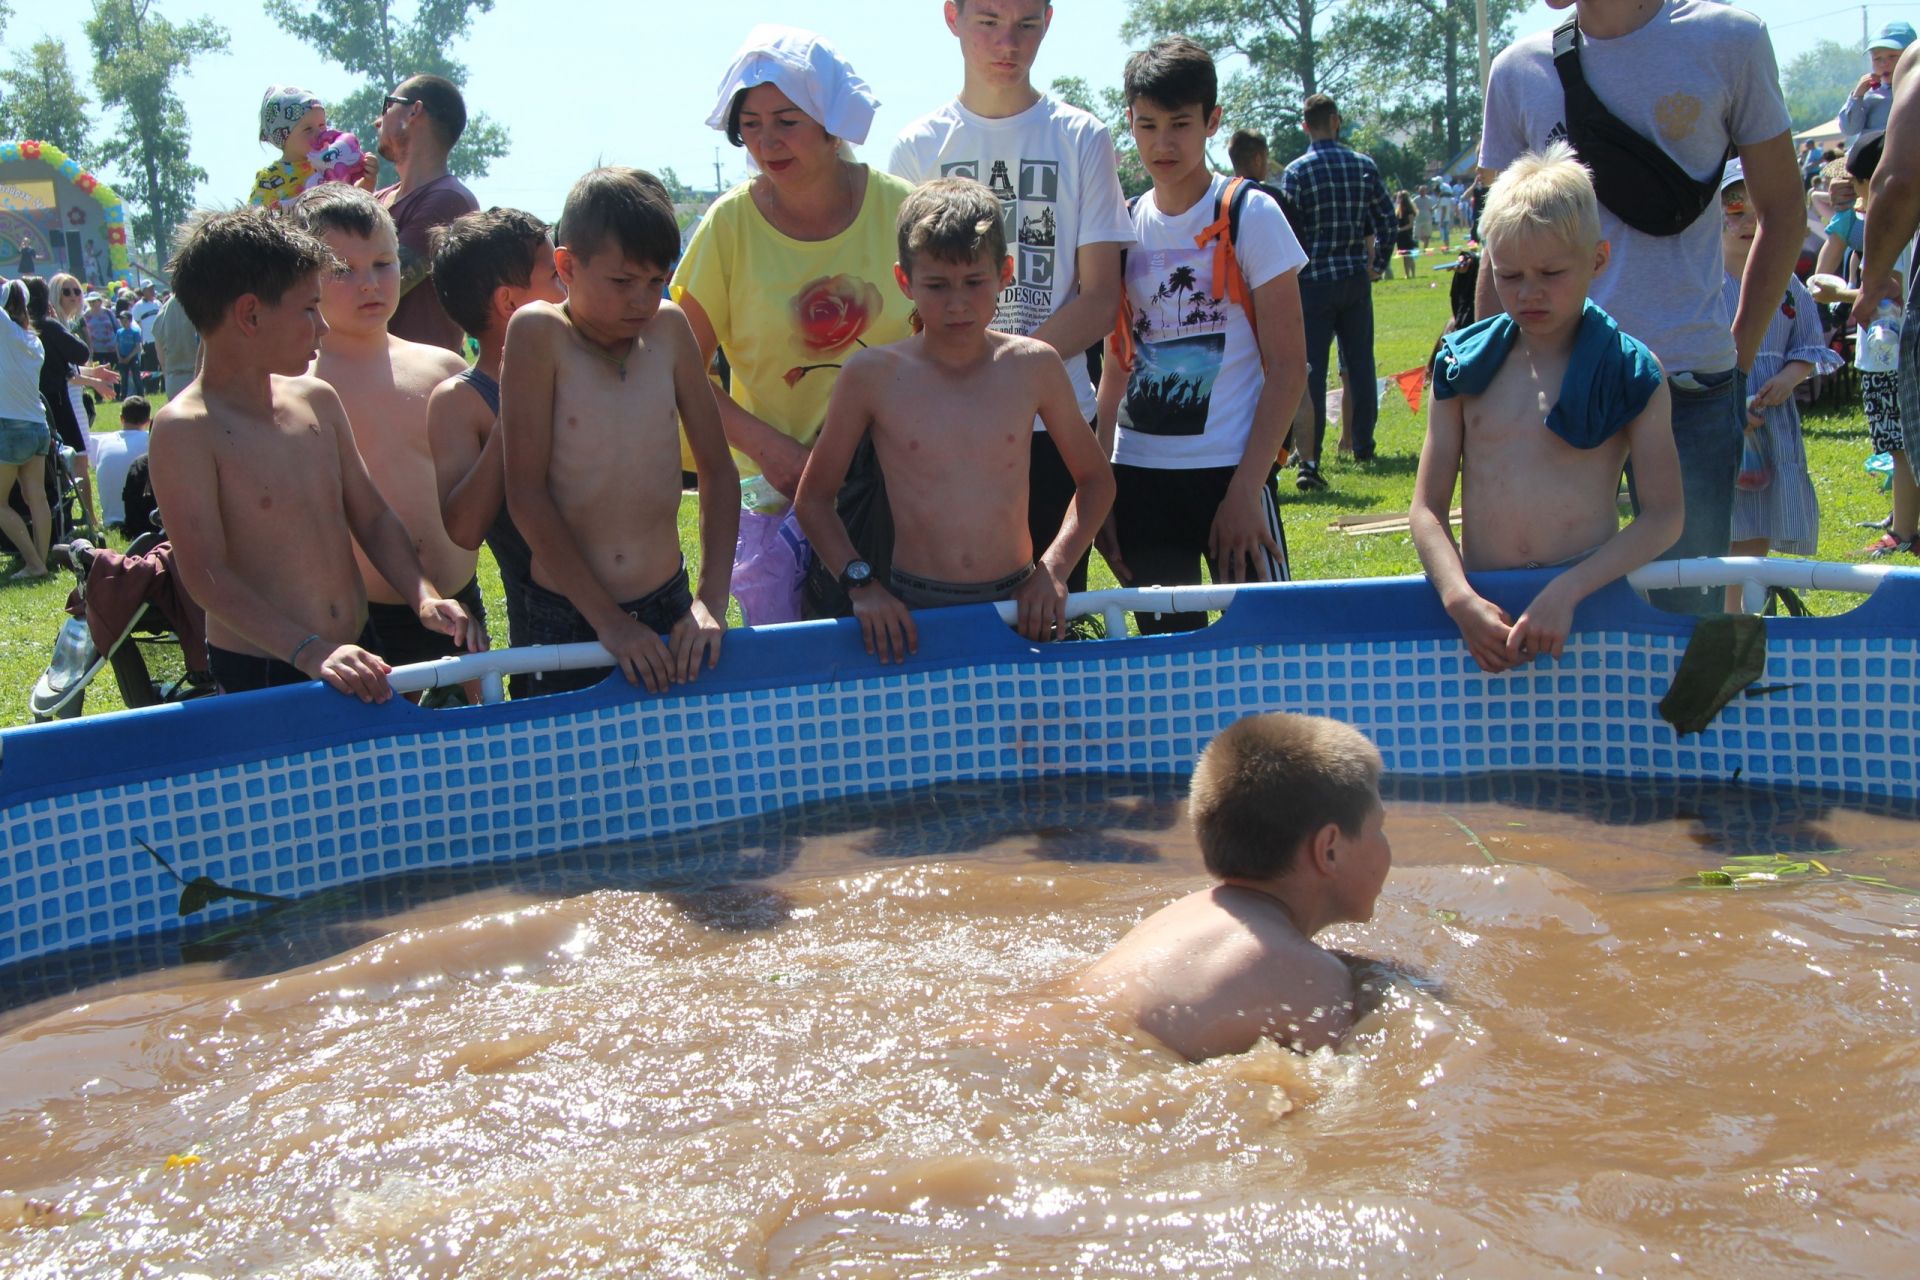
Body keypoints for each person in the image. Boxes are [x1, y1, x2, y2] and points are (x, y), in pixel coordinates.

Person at [1477, 0, 1799, 617]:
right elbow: (1498, 247)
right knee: (1549, 605)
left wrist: (1737, 357)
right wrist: (1495, 380)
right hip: (1554, 390)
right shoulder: (1517, 69)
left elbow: (1783, 209)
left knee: (1689, 610)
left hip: (1691, 385)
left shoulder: (1729, 40)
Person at [147, 208, 478, 701]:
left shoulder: (316, 399)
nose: (322, 327)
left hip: (356, 650)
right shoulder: (186, 430)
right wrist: (308, 651)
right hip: (270, 666)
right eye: (308, 309)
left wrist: (423, 595)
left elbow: (373, 517)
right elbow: (207, 576)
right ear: (250, 314)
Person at [795, 177, 1114, 661]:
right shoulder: (872, 376)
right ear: (905, 281)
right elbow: (814, 500)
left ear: (1005, 273)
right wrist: (862, 586)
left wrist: (1053, 569)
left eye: (973, 282)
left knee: (1023, 736)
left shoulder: (1034, 365)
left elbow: (1096, 482)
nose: (958, 303)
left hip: (1018, 609)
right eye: (937, 285)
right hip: (911, 612)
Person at [672, 26, 916, 626]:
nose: (766, 141)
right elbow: (674, 366)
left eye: (786, 120)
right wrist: (766, 447)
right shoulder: (726, 226)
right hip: (774, 502)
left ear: (832, 123)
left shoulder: (905, 210)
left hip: (900, 494)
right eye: (750, 124)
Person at [890, 0, 1133, 599]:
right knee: (951, 626)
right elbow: (907, 301)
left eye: (1026, 24)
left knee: (1049, 623)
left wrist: (1009, 373)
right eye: (989, 21)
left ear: (1049, 21)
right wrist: (979, 379)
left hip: (1056, 422)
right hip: (945, 427)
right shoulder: (916, 145)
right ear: (952, 16)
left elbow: (1101, 300)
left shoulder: (1082, 136)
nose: (1008, 42)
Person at [1410, 144, 1683, 674]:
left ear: (1597, 259)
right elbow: (1426, 509)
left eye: (1551, 273)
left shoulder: (1630, 371)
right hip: (1484, 618)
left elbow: (1666, 516)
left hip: (1592, 608)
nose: (1529, 293)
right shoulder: (1463, 366)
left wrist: (1569, 590)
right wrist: (1458, 598)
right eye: (1509, 276)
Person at [1094, 37, 1306, 635]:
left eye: (1181, 124)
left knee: (1273, 650)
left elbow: (1290, 367)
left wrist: (1245, 489)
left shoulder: (1251, 213)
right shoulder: (1123, 224)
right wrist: (1104, 483)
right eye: (1148, 124)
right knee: (1169, 672)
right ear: (1129, 124)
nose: (1163, 143)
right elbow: (1114, 366)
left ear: (1212, 122)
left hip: (1232, 472)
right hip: (1140, 478)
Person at [502, 167, 738, 697]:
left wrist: (711, 600)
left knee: (679, 771)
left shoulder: (671, 329)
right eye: (623, 281)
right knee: (573, 775)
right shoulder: (539, 333)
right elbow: (525, 493)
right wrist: (609, 622)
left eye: (656, 281)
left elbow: (718, 471)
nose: (642, 300)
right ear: (567, 265)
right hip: (569, 615)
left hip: (670, 607)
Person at [1071, 712, 1392, 1061]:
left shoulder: (1182, 916)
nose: (1386, 844)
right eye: (1379, 828)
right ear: (1329, 849)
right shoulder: (1313, 976)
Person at [289, 185, 483, 675]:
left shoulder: (444, 367)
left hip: (460, 600)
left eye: (382, 263)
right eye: (342, 270)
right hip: (363, 619)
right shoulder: (296, 387)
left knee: (474, 740)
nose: (369, 284)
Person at [427, 207, 568, 687]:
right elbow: (463, 528)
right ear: (510, 302)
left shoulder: (586, 365)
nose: (568, 285)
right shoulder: (460, 402)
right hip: (547, 643)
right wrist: (514, 408)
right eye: (555, 275)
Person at [1716, 161, 1834, 605]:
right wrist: (1727, 404)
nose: (1746, 223)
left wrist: (1790, 375)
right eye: (1734, 209)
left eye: (1757, 212)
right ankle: (1724, 613)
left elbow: (1808, 342)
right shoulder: (1703, 284)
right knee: (1724, 517)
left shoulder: (1786, 282)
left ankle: (1748, 610)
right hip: (1721, 418)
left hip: (1771, 421)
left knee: (1761, 514)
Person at [1278, 92, 1395, 491]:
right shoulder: (1363, 165)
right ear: (1337, 121)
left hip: (1312, 282)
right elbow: (1387, 220)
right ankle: (1362, 443)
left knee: (1310, 368)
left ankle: (1309, 451)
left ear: (1305, 126)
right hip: (1354, 279)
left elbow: (1289, 230)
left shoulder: (1296, 172)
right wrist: (1376, 265)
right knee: (1360, 364)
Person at [372, 74, 479, 353]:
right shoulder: (376, 199)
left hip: (417, 386)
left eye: (387, 106)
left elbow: (384, 286)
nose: (377, 120)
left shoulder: (449, 200)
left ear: (414, 111)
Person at [28, 276, 108, 533]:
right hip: (65, 402)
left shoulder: (33, 329)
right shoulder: (52, 326)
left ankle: (78, 518)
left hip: (56, 400)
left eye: (77, 290)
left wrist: (94, 376)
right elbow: (68, 369)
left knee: (65, 463)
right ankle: (90, 519)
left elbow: (67, 369)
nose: (74, 295)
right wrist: (94, 380)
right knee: (78, 460)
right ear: (52, 296)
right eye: (67, 291)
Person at [0, 279, 52, 578]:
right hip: (38, 425)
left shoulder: (4, 331)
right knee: (37, 497)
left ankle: (33, 563)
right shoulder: (35, 341)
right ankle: (41, 561)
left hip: (9, 426)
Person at [248, 86, 368, 210]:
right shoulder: (269, 179)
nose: (319, 133)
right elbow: (254, 220)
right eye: (308, 129)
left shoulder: (332, 162)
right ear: (284, 136)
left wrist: (367, 179)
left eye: (322, 125)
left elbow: (353, 202)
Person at [1840, 23, 1916, 157]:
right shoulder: (1870, 94)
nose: (1884, 63)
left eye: (1892, 56)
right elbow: (1849, 129)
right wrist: (1857, 96)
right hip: (1870, 160)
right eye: (1877, 58)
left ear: (1912, 56)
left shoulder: (1916, 90)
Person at [88, 393, 153, 530]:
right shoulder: (151, 440)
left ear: (121, 418)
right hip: (140, 518)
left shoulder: (104, 441)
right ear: (148, 421)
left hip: (110, 520)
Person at [149, 289, 202, 397]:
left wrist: (167, 376)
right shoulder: (204, 302)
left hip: (174, 380)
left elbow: (160, 353)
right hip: (202, 378)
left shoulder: (165, 308)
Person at [130, 283, 161, 395]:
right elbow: (135, 323)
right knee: (150, 365)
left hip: (160, 339)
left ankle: (161, 387)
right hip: (148, 340)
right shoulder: (138, 306)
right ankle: (151, 388)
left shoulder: (158, 303)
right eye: (149, 289)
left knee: (161, 363)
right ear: (144, 291)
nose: (152, 290)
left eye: (153, 288)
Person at [1393, 190, 1418, 278]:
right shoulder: (1398, 210)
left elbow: (1410, 225)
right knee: (1404, 256)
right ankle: (1407, 274)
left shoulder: (1409, 210)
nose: (1398, 199)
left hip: (1407, 235)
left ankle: (1413, 274)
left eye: (1399, 197)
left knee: (1409, 256)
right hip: (1400, 236)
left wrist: (1400, 229)